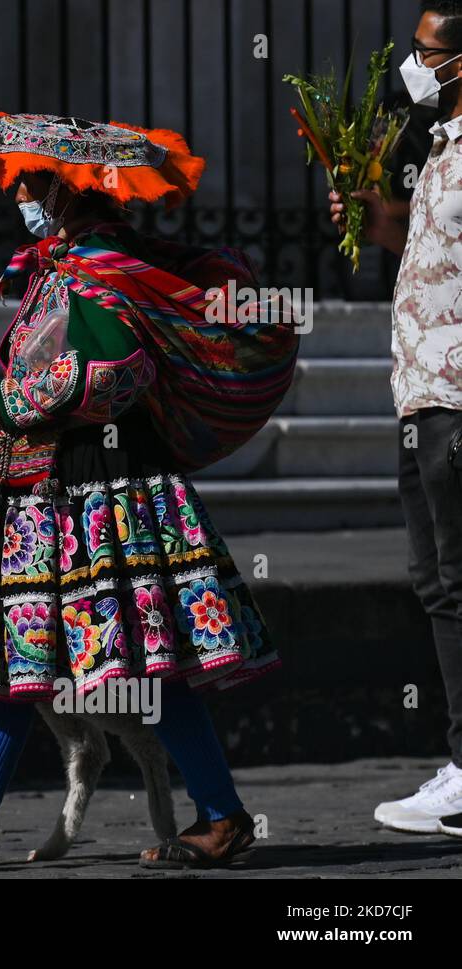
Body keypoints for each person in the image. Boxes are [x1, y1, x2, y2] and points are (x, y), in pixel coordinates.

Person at [0, 102, 292, 873]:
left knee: (133, 663)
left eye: (28, 184)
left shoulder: (99, 273)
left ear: (62, 190)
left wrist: (10, 405)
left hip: (106, 492)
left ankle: (222, 815)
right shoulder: (63, 270)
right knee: (17, 649)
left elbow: (112, 376)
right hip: (48, 490)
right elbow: (40, 374)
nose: (21, 198)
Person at [330, 1, 462, 838]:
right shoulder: (441, 146)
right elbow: (434, 249)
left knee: (459, 580)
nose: (412, 64)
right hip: (416, 393)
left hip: (457, 398)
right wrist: (378, 223)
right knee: (437, 583)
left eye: (427, 52)